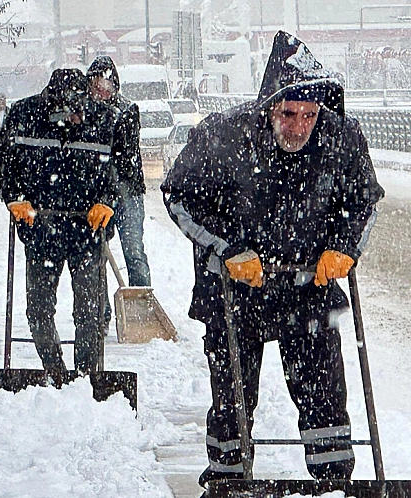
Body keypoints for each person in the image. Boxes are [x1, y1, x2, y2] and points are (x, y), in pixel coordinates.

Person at [161, 31, 384, 494]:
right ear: (269, 107)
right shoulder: (224, 136)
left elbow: (365, 199)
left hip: (310, 287)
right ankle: (226, 478)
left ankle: (334, 482)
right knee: (234, 396)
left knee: (324, 392)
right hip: (234, 291)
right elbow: (178, 196)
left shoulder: (342, 139)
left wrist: (344, 247)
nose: (299, 125)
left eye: (309, 115)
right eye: (289, 113)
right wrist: (227, 251)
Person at [0, 68, 118, 381]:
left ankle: (87, 376)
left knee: (90, 313)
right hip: (40, 230)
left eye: (80, 111)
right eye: (71, 112)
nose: (77, 119)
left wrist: (107, 200)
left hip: (86, 231)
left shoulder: (103, 120)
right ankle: (55, 371)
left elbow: (118, 170)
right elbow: (5, 163)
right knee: (38, 310)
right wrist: (15, 197)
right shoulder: (23, 115)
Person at [87, 56, 151, 334]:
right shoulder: (87, 112)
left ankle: (143, 314)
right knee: (97, 254)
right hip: (99, 196)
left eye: (104, 83)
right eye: (95, 83)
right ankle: (100, 317)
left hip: (127, 194)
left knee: (133, 252)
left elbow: (123, 156)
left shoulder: (126, 111)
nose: (99, 89)